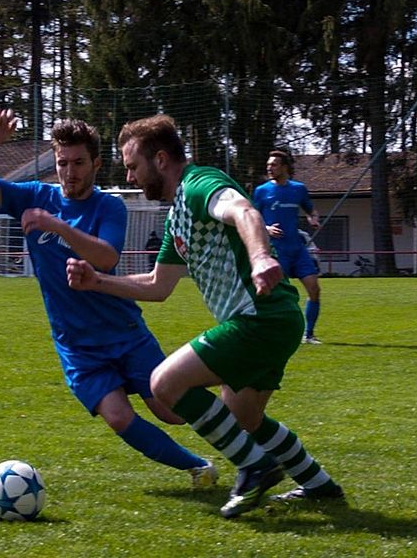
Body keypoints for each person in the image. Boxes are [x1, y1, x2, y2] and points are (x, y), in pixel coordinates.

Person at [66, 114, 344, 518]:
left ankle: (255, 467)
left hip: (259, 318)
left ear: (160, 160)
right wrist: (97, 282)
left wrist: (261, 255)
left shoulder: (199, 185)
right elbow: (158, 286)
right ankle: (318, 485)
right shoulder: (178, 214)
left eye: (132, 166)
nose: (129, 177)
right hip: (273, 319)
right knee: (243, 418)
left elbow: (244, 210)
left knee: (164, 383)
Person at [0, 108, 219, 489]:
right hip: (77, 344)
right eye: (62, 163)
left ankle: (240, 410)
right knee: (118, 416)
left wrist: (57, 225)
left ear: (96, 164)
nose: (70, 172)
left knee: (171, 411)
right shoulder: (35, 196)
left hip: (122, 330)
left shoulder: (109, 206)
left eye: (79, 162)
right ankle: (198, 467)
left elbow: (106, 257)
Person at [253, 151, 324, 344]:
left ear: (285, 167)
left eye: (274, 164)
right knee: (273, 296)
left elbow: (311, 210)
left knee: (314, 289)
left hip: (298, 250)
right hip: (276, 251)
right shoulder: (261, 191)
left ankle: (308, 335)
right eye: (269, 164)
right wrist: (266, 228)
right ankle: (267, 332)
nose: (270, 168)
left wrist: (313, 219)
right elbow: (252, 217)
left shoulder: (298, 189)